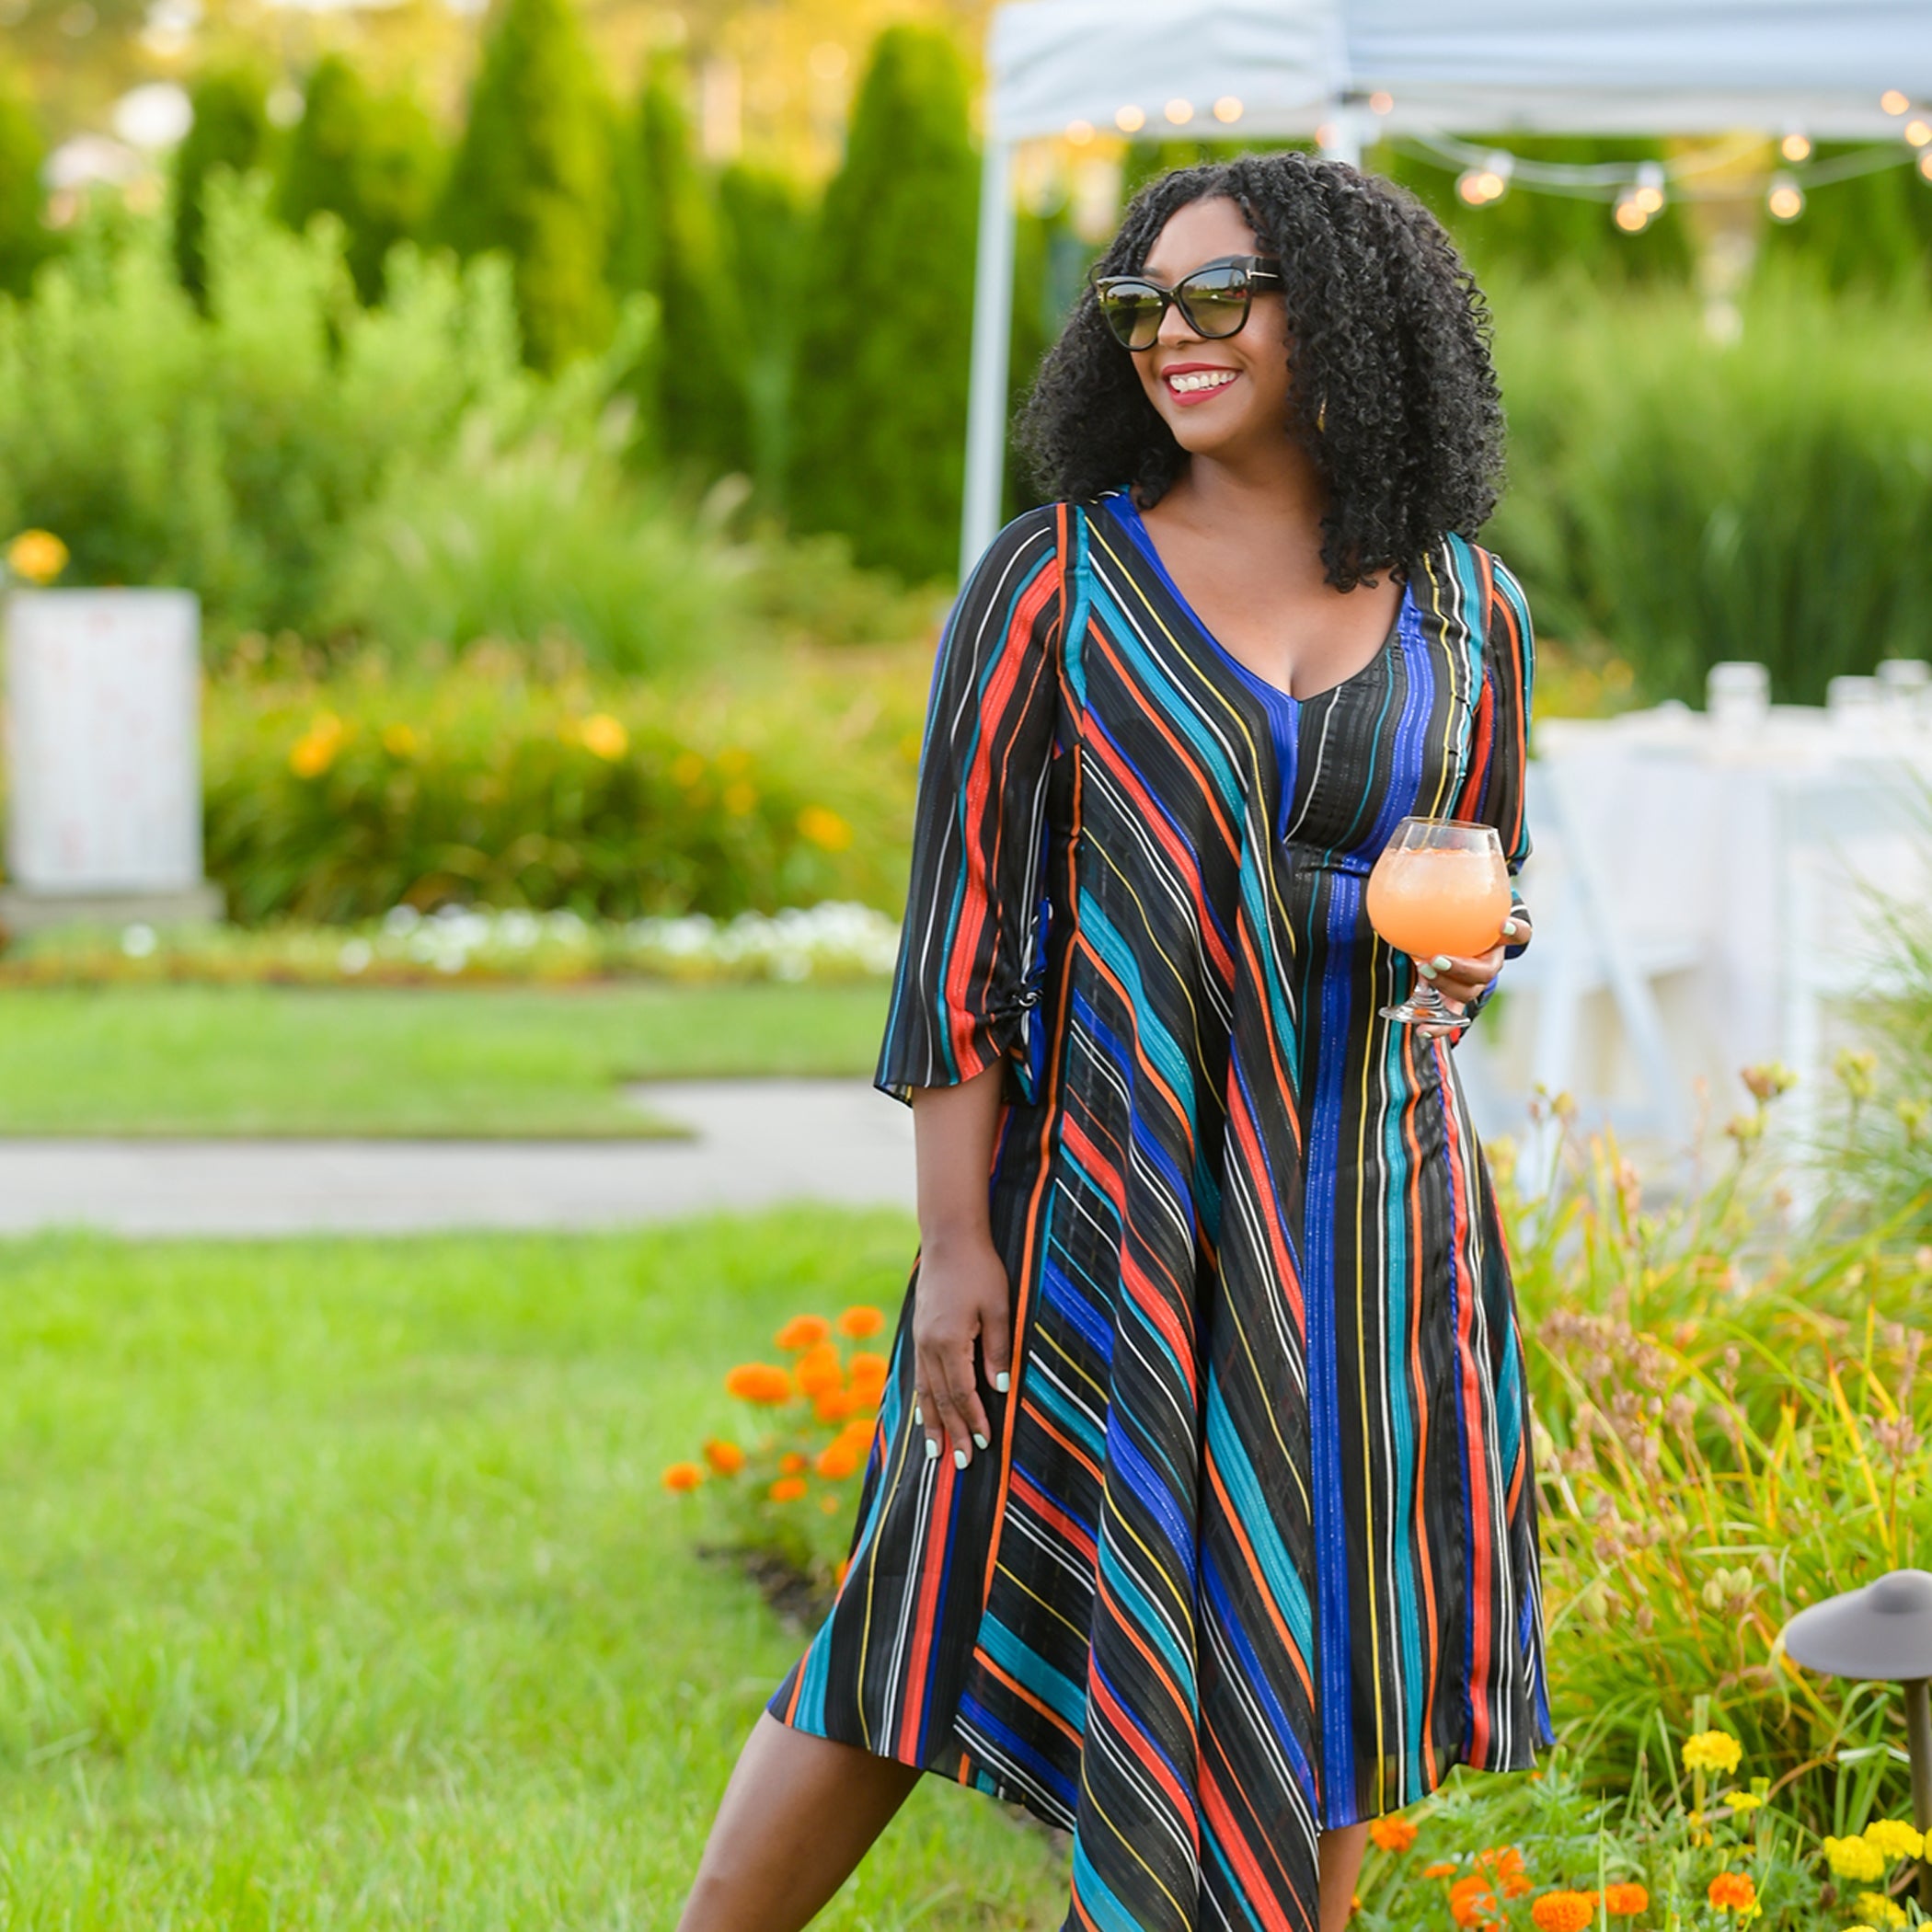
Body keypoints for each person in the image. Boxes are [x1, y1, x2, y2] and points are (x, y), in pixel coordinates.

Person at [678, 149, 1552, 1932]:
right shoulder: (1053, 591)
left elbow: (1485, 879)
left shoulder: (1472, 608)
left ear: (1344, 314)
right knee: (920, 1617)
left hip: (1368, 1222)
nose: (1175, 339)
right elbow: (960, 942)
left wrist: (1481, 953)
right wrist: (950, 1246)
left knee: (1315, 1661)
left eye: (1222, 299)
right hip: (1102, 1215)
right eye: (1143, 307)